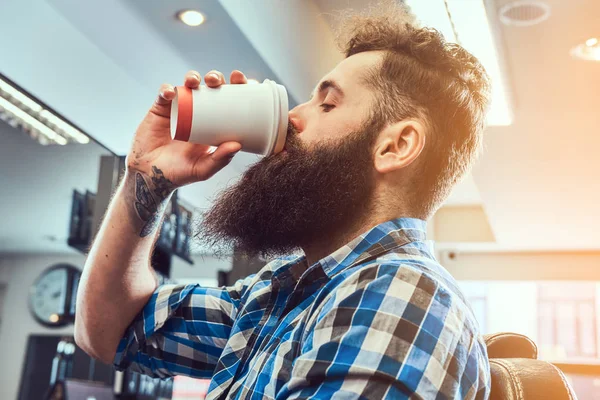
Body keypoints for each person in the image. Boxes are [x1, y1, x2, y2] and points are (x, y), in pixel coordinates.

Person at [75, 2, 491, 398]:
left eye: (327, 104)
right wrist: (147, 179)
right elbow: (108, 330)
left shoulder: (399, 293)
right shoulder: (280, 293)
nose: (293, 116)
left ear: (396, 146)